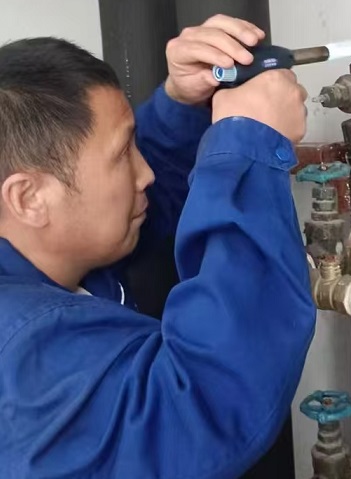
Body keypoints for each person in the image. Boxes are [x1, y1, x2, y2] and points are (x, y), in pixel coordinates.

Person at [0, 14, 315, 479]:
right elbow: (207, 401)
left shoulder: (43, 255)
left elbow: (128, 202)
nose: (144, 172)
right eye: (122, 153)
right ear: (29, 198)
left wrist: (182, 103)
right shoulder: (22, 355)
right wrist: (250, 148)